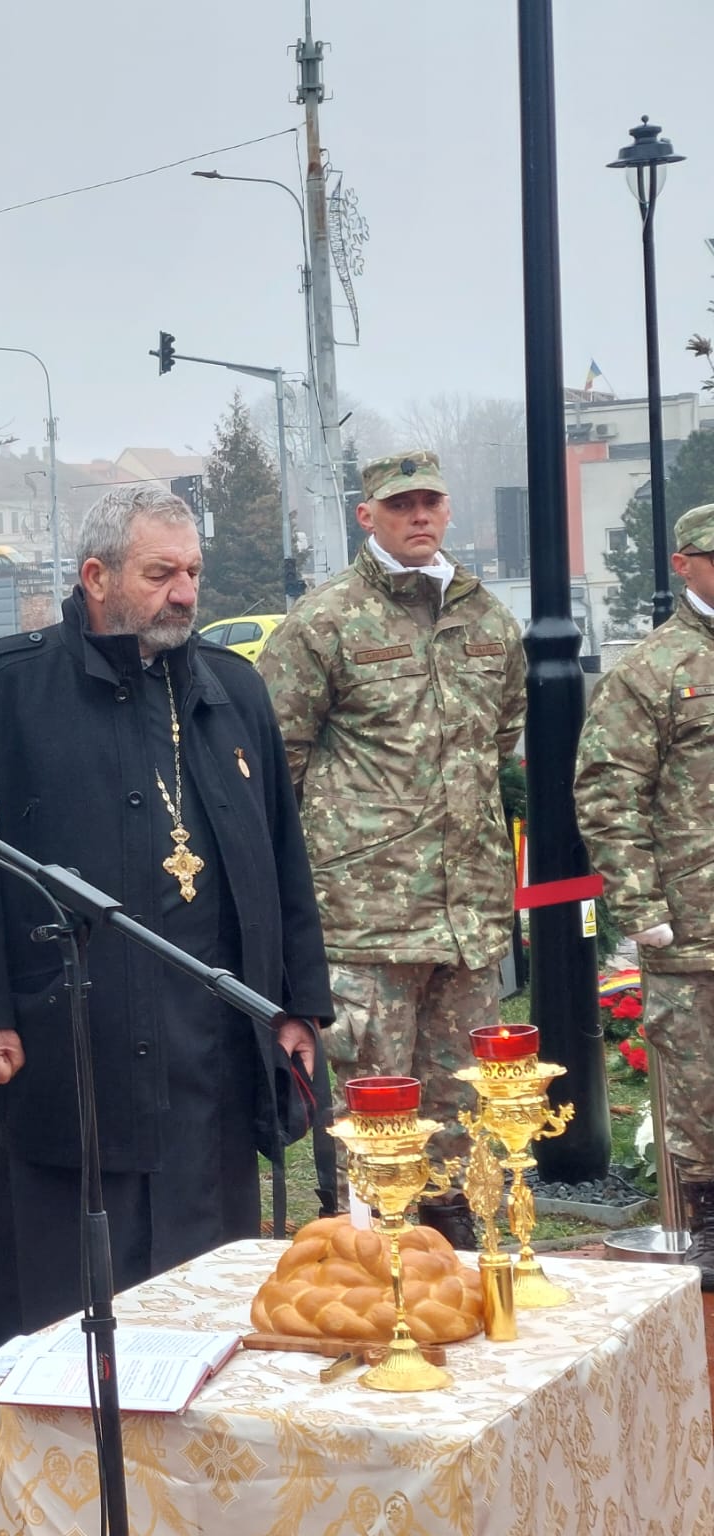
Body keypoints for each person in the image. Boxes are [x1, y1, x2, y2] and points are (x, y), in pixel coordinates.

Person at [0, 484, 331, 1339]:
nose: (185, 593)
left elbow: (281, 857)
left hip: (213, 1055)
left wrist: (298, 1003)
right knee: (73, 1319)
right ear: (95, 576)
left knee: (212, 1306)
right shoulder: (3, 689)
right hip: (70, 1048)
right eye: (161, 573)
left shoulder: (234, 691)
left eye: (192, 572)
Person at [258, 449, 525, 1238]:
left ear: (448, 512)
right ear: (366, 515)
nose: (418, 516)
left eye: (430, 503)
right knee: (374, 1113)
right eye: (399, 504)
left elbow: (498, 734)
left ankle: (456, 1262)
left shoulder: (485, 617)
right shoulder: (326, 621)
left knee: (462, 1109)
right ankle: (372, 1276)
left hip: (465, 917)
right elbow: (280, 759)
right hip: (366, 920)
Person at [576, 501, 714, 1285]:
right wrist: (644, 909)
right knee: (700, 1090)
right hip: (694, 924)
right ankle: (708, 1226)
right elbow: (607, 791)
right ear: (684, 564)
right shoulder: (653, 669)